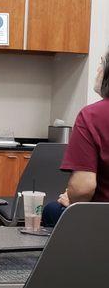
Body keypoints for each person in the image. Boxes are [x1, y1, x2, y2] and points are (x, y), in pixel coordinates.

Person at [42, 52, 109, 227]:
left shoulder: (92, 116)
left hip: (100, 220)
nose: (97, 69)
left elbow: (83, 188)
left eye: (102, 63)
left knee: (51, 210)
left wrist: (71, 198)